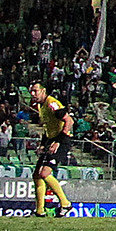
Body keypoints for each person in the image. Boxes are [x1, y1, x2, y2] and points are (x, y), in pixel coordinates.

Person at [29, 82, 75, 217]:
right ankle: (39, 211)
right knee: (37, 175)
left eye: (35, 91)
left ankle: (66, 204)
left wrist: (58, 142)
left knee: (44, 173)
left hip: (61, 141)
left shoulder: (51, 104)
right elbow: (48, 127)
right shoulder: (40, 106)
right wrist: (43, 144)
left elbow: (69, 121)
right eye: (31, 91)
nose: (32, 94)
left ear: (43, 91)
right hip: (51, 139)